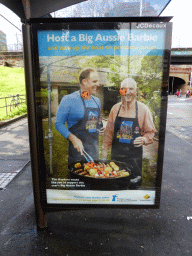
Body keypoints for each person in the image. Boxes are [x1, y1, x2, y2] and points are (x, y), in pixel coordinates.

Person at [102, 78, 156, 179]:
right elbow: (109, 133)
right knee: (115, 186)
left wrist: (144, 139)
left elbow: (151, 132)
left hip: (134, 160)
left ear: (136, 91)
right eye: (124, 89)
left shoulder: (143, 109)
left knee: (133, 187)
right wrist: (104, 157)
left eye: (131, 89)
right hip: (116, 158)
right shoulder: (115, 109)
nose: (127, 92)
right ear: (120, 91)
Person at [55, 67, 102, 164]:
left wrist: (100, 127)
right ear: (84, 82)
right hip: (77, 153)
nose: (98, 84)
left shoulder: (97, 101)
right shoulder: (69, 99)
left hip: (94, 152)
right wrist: (73, 138)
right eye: (94, 81)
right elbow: (58, 123)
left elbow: (94, 122)